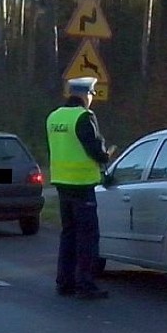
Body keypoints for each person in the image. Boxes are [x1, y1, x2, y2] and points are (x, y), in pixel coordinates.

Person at [46, 76, 115, 300]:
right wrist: (106, 156)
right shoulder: (84, 117)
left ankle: (64, 282)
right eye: (92, 95)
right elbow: (93, 149)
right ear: (86, 94)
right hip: (82, 184)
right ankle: (85, 284)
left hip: (61, 183)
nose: (92, 99)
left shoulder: (54, 117)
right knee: (87, 237)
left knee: (68, 234)